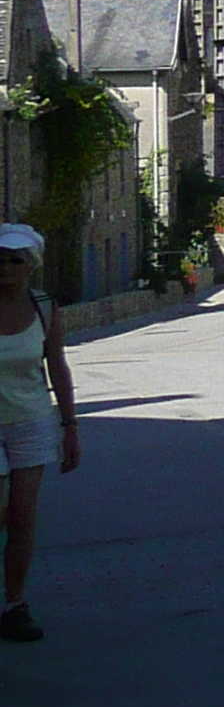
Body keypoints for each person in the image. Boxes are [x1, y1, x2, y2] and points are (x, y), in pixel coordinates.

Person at [0, 224, 79, 643]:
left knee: (23, 518)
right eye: (0, 259)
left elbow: (58, 368)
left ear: (30, 267)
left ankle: (15, 604)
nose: (7, 268)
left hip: (31, 421)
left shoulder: (44, 308)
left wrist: (70, 426)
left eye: (15, 260)